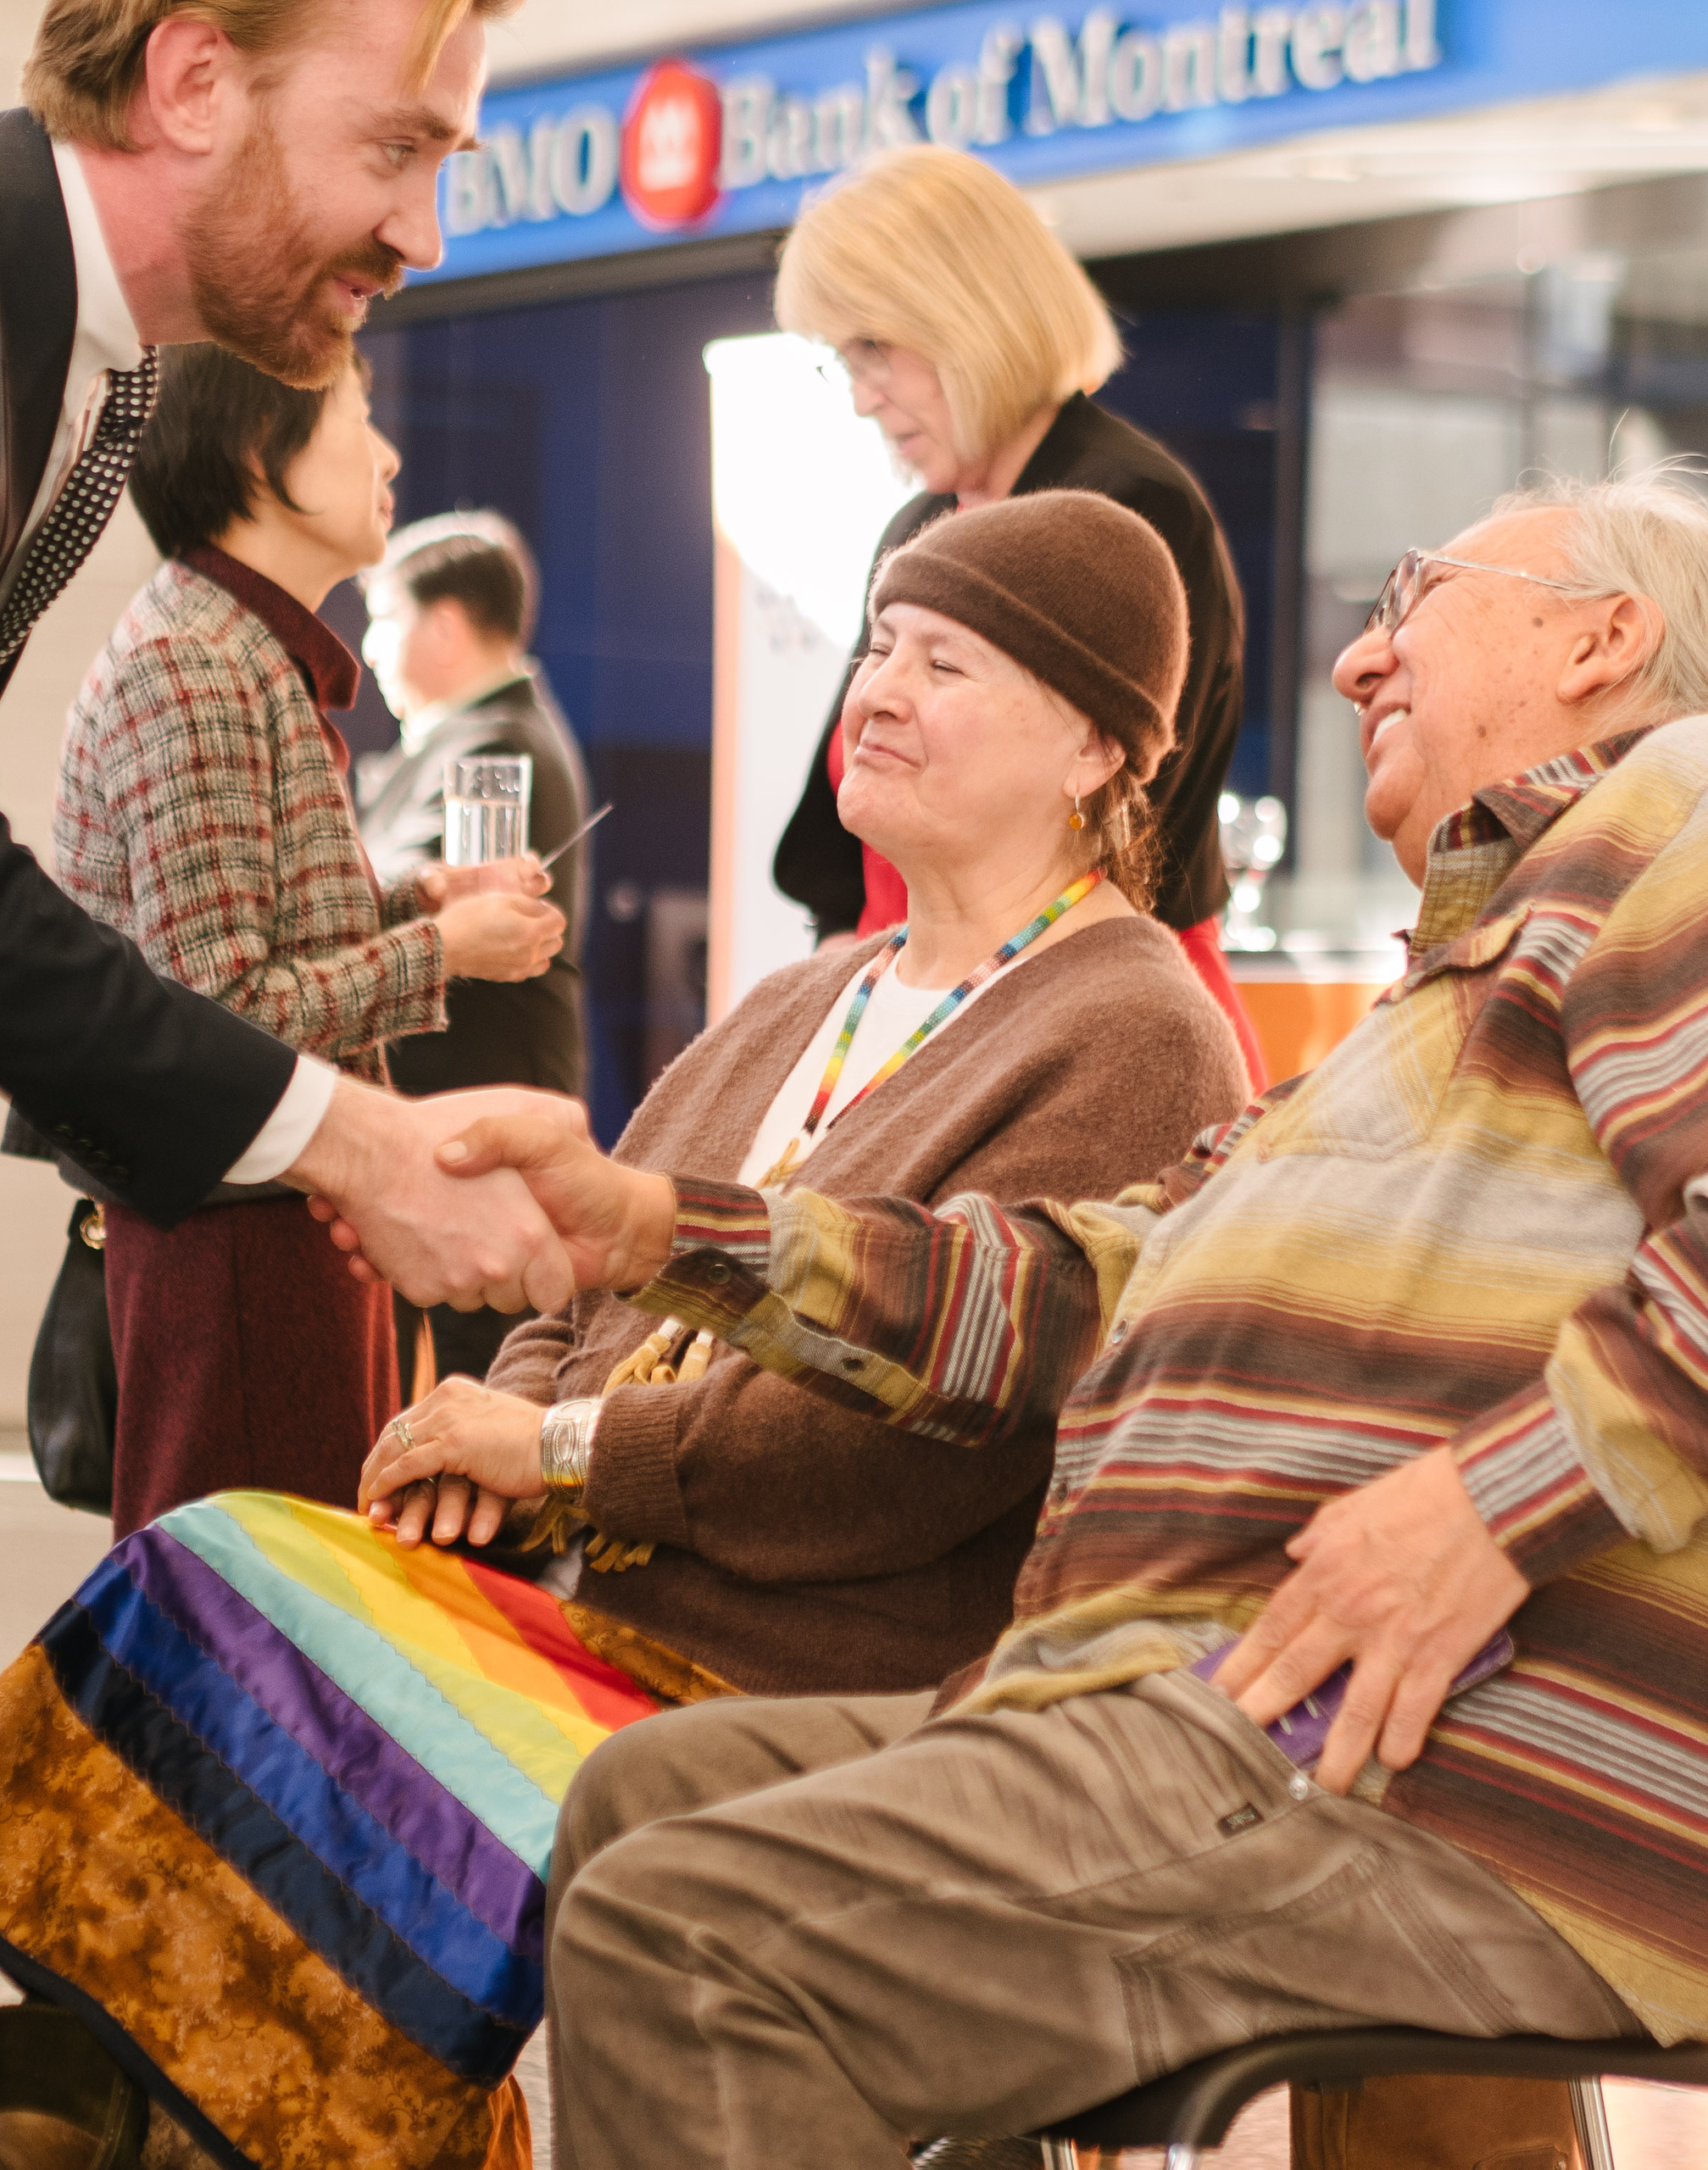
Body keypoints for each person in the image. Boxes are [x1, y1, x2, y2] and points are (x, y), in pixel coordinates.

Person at [369, 473, 1708, 2170]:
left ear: (1603, 638)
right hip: (1224, 1721)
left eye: (1415, 591)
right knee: (639, 1802)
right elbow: (1076, 1288)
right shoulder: (1439, 1000)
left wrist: (1484, 1506)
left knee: (697, 1929)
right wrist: (663, 1226)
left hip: (1429, 1778)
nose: (1354, 658)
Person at [0, 491, 1249, 2167]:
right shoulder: (812, 991)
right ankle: (121, 2108)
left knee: (322, 1736)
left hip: (796, 1667)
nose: (873, 689)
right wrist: (493, 1444)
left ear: (1099, 743)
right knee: (201, 1584)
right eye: (876, 642)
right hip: (566, 1593)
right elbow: (591, 1267)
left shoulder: (1135, 1026)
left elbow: (917, 1439)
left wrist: (570, 1453)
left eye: (941, 660)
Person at [0, 0, 584, 1316]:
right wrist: (366, 1143)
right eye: (395, 150)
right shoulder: (193, 639)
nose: (425, 238)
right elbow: (215, 985)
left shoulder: (115, 374)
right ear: (196, 81)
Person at [9, 342, 565, 1541]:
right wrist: (445, 949)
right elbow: (220, 1018)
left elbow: (254, 938)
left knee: (292, 1609)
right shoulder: (194, 662)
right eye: (357, 418)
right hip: (241, 1241)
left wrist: (420, 902)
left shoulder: (237, 645)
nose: (390, 454)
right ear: (262, 459)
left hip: (280, 1218)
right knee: (258, 1624)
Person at [771, 142, 1270, 1089]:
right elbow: (833, 843)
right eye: (844, 361)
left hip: (1086, 1036)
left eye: (875, 349)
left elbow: (1117, 843)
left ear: (967, 316)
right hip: (904, 1018)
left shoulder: (1130, 508)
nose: (862, 397)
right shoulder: (918, 526)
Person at [358, 510, 594, 1390]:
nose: (374, 647)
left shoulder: (489, 749)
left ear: (445, 622)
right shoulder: (471, 739)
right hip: (465, 1105)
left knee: (480, 1384)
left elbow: (414, 893)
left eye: (385, 619)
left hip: (473, 1108)